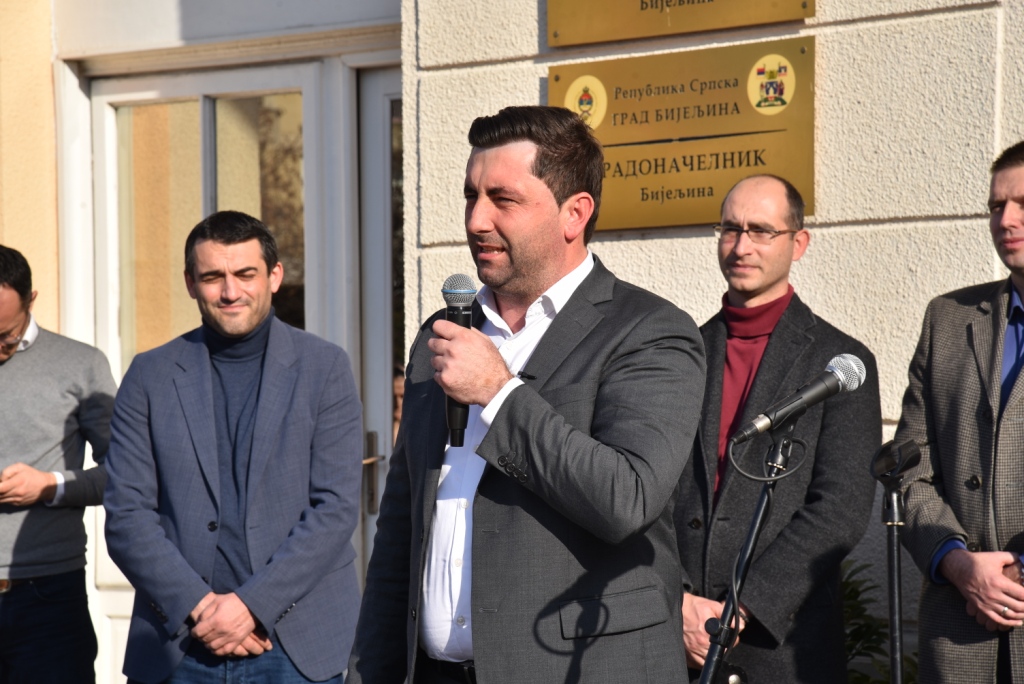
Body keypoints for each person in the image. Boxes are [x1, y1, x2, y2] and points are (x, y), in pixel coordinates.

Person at [347, 105, 706, 684]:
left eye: (503, 199)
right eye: (471, 196)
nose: (476, 220)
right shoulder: (441, 334)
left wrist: (498, 392)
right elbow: (402, 524)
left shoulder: (648, 331)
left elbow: (626, 499)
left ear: (574, 213)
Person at [103, 211, 363, 684]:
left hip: (296, 642)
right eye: (212, 277)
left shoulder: (324, 367)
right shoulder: (149, 375)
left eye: (245, 274)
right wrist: (202, 608)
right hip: (180, 641)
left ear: (274, 276)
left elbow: (336, 507)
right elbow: (127, 515)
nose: (230, 291)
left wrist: (250, 606)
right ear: (190, 283)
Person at [674, 175, 882, 682]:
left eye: (761, 231)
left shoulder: (839, 361)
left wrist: (744, 606)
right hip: (676, 634)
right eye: (730, 229)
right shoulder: (681, 353)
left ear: (799, 242)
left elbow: (840, 508)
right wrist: (674, 598)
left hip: (781, 644)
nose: (741, 246)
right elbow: (651, 490)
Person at [897, 140, 1024, 683]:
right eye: (996, 205)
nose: (1006, 219)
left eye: (1022, 203)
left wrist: (1016, 577)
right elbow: (910, 466)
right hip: (959, 627)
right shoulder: (948, 319)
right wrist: (956, 561)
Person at [0, 245, 115, 683]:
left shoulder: (81, 365)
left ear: (32, 300)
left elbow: (125, 475)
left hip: (47, 595)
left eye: (6, 336)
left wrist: (49, 485)